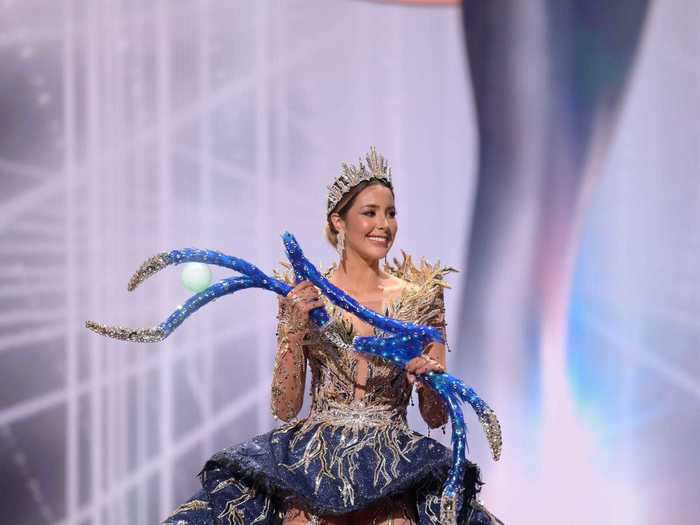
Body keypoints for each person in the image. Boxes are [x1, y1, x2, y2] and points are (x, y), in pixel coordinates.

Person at [163, 147, 502, 524]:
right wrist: (293, 330)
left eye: (390, 213)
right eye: (369, 213)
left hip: (393, 463)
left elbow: (435, 416)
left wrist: (427, 382)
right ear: (338, 222)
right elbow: (286, 408)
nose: (383, 225)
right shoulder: (306, 295)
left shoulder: (422, 297)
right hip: (315, 463)